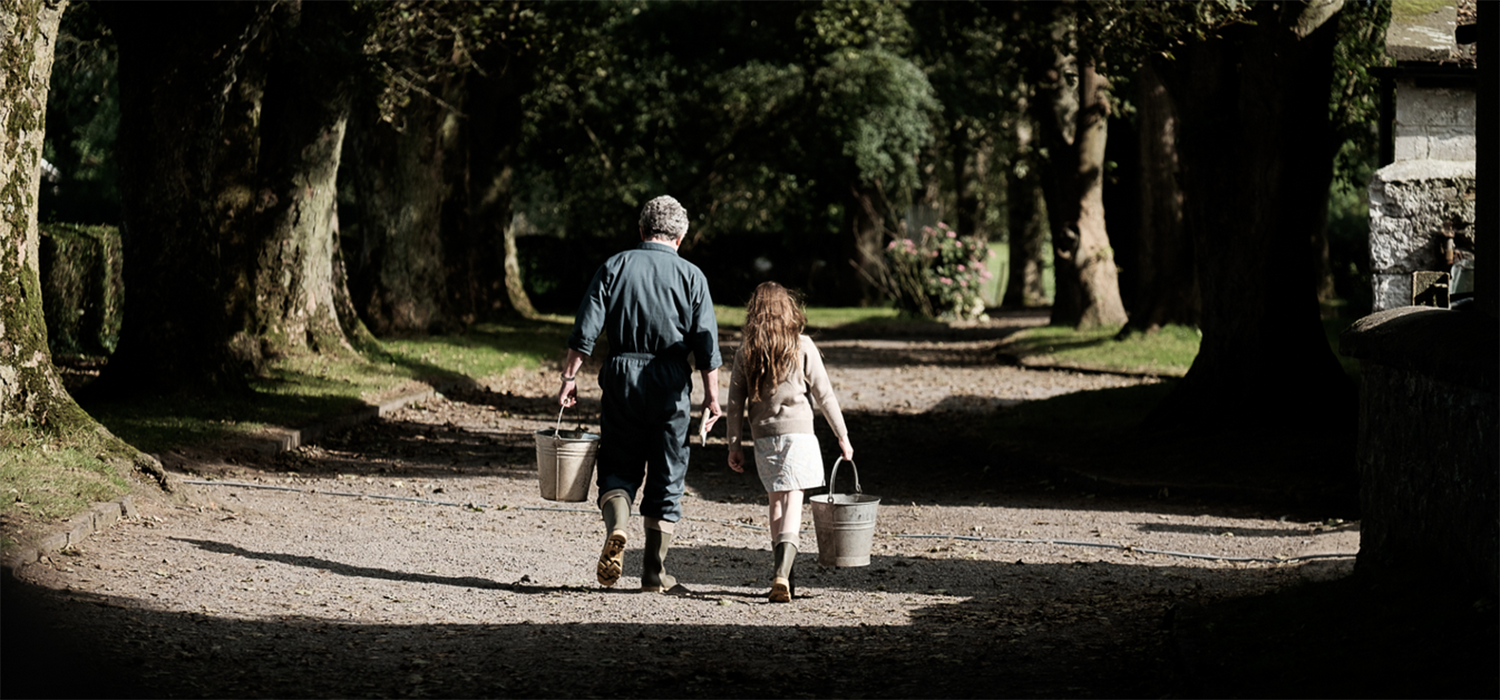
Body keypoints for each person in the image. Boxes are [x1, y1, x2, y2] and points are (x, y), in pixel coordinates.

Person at [558, 195, 723, 594]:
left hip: (622, 375)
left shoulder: (615, 266)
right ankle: (653, 572)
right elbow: (706, 345)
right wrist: (712, 397)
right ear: (680, 237)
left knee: (618, 462)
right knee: (669, 472)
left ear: (641, 230)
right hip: (669, 381)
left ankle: (617, 526)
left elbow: (586, 329)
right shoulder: (692, 276)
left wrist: (568, 377)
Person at [725, 282, 853, 603]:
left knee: (776, 503)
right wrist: (842, 435)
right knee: (795, 499)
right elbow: (824, 395)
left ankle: (783, 575)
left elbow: (734, 404)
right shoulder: (803, 345)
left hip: (764, 437)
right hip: (799, 434)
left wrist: (734, 444)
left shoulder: (746, 351)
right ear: (789, 309)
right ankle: (783, 573)